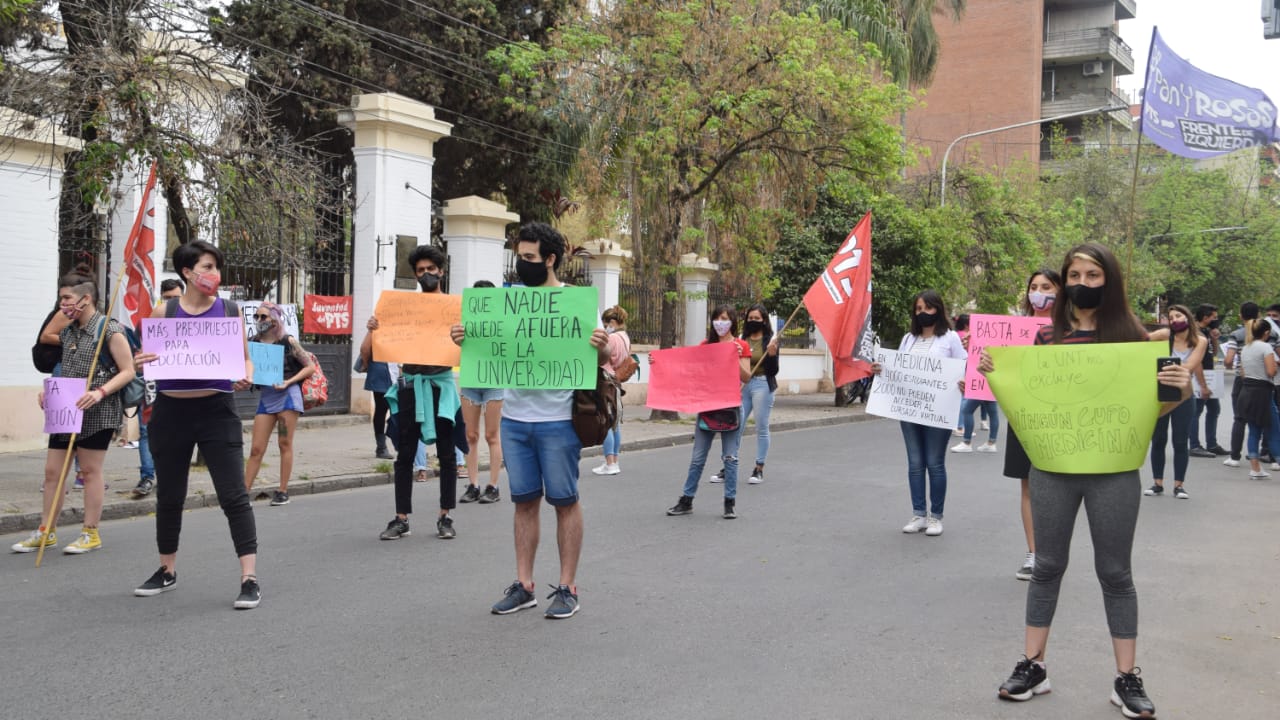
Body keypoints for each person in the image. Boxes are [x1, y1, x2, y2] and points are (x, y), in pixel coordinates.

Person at [985, 243, 1191, 718]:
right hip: (1053, 471)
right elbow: (1028, 403)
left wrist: (1177, 394)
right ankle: (1032, 665)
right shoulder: (1045, 340)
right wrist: (994, 379)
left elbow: (1151, 409)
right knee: (1047, 567)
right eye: (1074, 273)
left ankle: (1127, 677)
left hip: (1114, 472)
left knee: (1116, 573)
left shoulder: (1136, 339)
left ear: (1109, 280)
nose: (1082, 282)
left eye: (1093, 274)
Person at [450, 222, 610, 619]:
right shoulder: (507, 303)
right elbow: (486, 347)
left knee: (565, 501)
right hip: (514, 420)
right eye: (519, 257)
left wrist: (601, 348)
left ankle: (568, 587)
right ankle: (524, 585)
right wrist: (464, 337)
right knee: (523, 503)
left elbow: (603, 362)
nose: (521, 265)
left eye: (529, 258)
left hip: (558, 421)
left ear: (550, 259)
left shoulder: (574, 303)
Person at [132, 240, 261, 610]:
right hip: (171, 413)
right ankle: (166, 570)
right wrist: (142, 361)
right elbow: (144, 360)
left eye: (216, 267)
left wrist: (245, 376)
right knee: (169, 495)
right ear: (187, 272)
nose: (213, 274)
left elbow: (246, 360)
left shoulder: (230, 310)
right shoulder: (164, 312)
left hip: (217, 411)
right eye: (206, 267)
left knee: (233, 494)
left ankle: (249, 578)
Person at [11, 273, 136, 555]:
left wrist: (99, 392)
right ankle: (46, 530)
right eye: (61, 298)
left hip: (98, 410)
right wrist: (50, 391)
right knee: (52, 471)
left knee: (91, 471)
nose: (62, 304)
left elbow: (128, 370)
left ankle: (90, 532)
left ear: (85, 298)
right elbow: (65, 367)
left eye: (66, 298)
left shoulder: (110, 330)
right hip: (65, 409)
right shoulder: (67, 331)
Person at [367, 244, 460, 541]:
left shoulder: (455, 309)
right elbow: (366, 353)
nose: (426, 275)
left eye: (431, 269)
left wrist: (463, 337)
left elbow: (470, 350)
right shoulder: (402, 309)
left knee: (446, 454)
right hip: (410, 386)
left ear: (441, 271)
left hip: (441, 387)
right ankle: (401, 518)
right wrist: (372, 329)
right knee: (405, 454)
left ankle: (446, 516)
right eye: (420, 271)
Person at [871, 290, 965, 537]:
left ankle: (936, 517)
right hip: (910, 409)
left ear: (938, 309)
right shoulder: (907, 339)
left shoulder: (951, 339)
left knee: (934, 463)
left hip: (939, 411)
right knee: (915, 464)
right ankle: (918, 514)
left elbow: (965, 367)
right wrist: (881, 369)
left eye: (928, 308)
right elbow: (897, 368)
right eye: (919, 309)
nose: (923, 313)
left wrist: (963, 382)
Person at [665, 305, 752, 520]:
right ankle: (686, 500)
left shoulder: (741, 345)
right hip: (707, 408)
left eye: (725, 318)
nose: (720, 322)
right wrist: (659, 363)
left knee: (730, 457)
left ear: (733, 321)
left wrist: (736, 357)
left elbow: (746, 377)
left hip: (731, 407)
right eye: (717, 318)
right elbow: (690, 370)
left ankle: (729, 503)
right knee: (697, 458)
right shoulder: (706, 345)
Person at [1004, 268, 1061, 581]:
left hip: (1059, 417)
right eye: (1034, 287)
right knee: (1028, 486)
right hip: (1023, 415)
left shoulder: (1074, 330)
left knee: (1057, 488)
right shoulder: (1010, 330)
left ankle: (1053, 551)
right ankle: (1034, 554)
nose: (1038, 292)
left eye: (1046, 286)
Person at [243, 301, 316, 506]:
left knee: (284, 443)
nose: (259, 321)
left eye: (263, 317)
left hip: (287, 396)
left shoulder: (287, 340)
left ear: (274, 318)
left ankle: (282, 490)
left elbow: (309, 367)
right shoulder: (253, 343)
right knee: (256, 448)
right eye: (256, 317)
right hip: (267, 397)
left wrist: (289, 382)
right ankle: (244, 492)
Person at [130, 279, 185, 498]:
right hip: (153, 382)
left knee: (177, 433)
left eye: (176, 298)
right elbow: (135, 348)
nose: (171, 303)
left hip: (181, 386)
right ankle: (147, 476)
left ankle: (170, 477)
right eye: (167, 298)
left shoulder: (192, 323)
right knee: (146, 429)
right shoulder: (148, 322)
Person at [1144, 304, 1205, 500]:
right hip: (1160, 395)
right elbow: (1141, 342)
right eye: (1171, 318)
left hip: (1184, 396)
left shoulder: (1200, 341)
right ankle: (1157, 483)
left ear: (1187, 317)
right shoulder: (1164, 335)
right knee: (1158, 439)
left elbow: (1189, 367)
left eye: (1178, 316)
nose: (1174, 320)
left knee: (1180, 441)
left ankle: (1179, 485)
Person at [459, 280, 505, 503]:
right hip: (470, 380)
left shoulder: (502, 322)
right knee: (470, 435)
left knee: (492, 435)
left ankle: (493, 485)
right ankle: (473, 484)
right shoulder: (465, 322)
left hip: (494, 380)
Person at [736, 303, 779, 484]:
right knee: (736, 426)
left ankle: (758, 468)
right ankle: (729, 464)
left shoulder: (771, 340)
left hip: (762, 385)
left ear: (764, 320)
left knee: (761, 427)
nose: (753, 321)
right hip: (743, 385)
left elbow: (773, 370)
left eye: (757, 318)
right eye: (750, 318)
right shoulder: (741, 338)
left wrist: (771, 355)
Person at [1234, 317, 1280, 480]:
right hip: (1263, 392)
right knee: (1274, 430)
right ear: (1266, 333)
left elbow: (1243, 372)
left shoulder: (1246, 348)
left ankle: (1255, 468)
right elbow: (1270, 372)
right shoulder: (1266, 347)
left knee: (1254, 430)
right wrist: (1275, 365)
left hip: (1247, 391)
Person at [591, 305, 632, 476]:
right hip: (616, 381)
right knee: (614, 423)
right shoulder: (625, 337)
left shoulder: (612, 338)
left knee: (605, 422)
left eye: (606, 323)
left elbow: (601, 357)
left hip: (605, 381)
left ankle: (609, 463)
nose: (604, 327)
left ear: (613, 322)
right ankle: (614, 460)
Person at [1187, 303, 1225, 457]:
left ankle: (1212, 443)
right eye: (1213, 317)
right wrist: (1202, 385)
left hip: (1210, 374)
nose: (1215, 320)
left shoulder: (1207, 332)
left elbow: (1213, 352)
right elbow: (1196, 360)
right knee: (1196, 410)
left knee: (1214, 409)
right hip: (1200, 375)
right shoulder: (1195, 333)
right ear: (1205, 317)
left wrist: (1215, 338)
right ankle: (1194, 445)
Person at [356, 317, 396, 460]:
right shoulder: (378, 323)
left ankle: (386, 444)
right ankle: (383, 446)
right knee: (385, 409)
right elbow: (364, 349)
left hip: (391, 372)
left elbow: (364, 350)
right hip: (386, 372)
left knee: (390, 411)